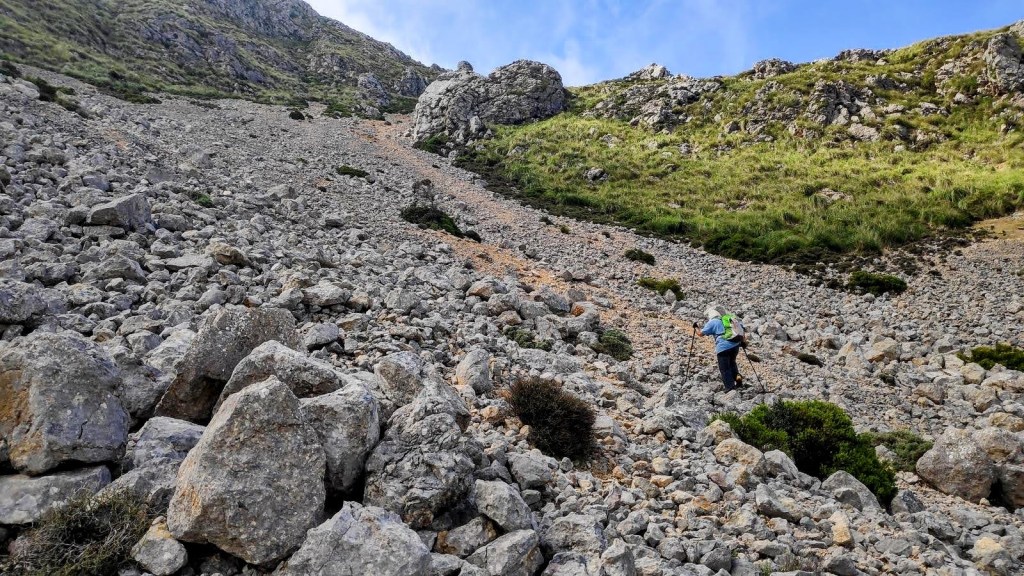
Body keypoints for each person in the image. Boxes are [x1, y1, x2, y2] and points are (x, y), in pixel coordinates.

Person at [693, 304, 745, 392]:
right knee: (732, 363)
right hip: (735, 345)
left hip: (723, 347)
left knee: (724, 368)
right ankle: (738, 378)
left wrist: (696, 327)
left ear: (710, 316)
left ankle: (730, 387)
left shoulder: (712, 322)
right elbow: (741, 329)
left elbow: (700, 334)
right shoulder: (726, 320)